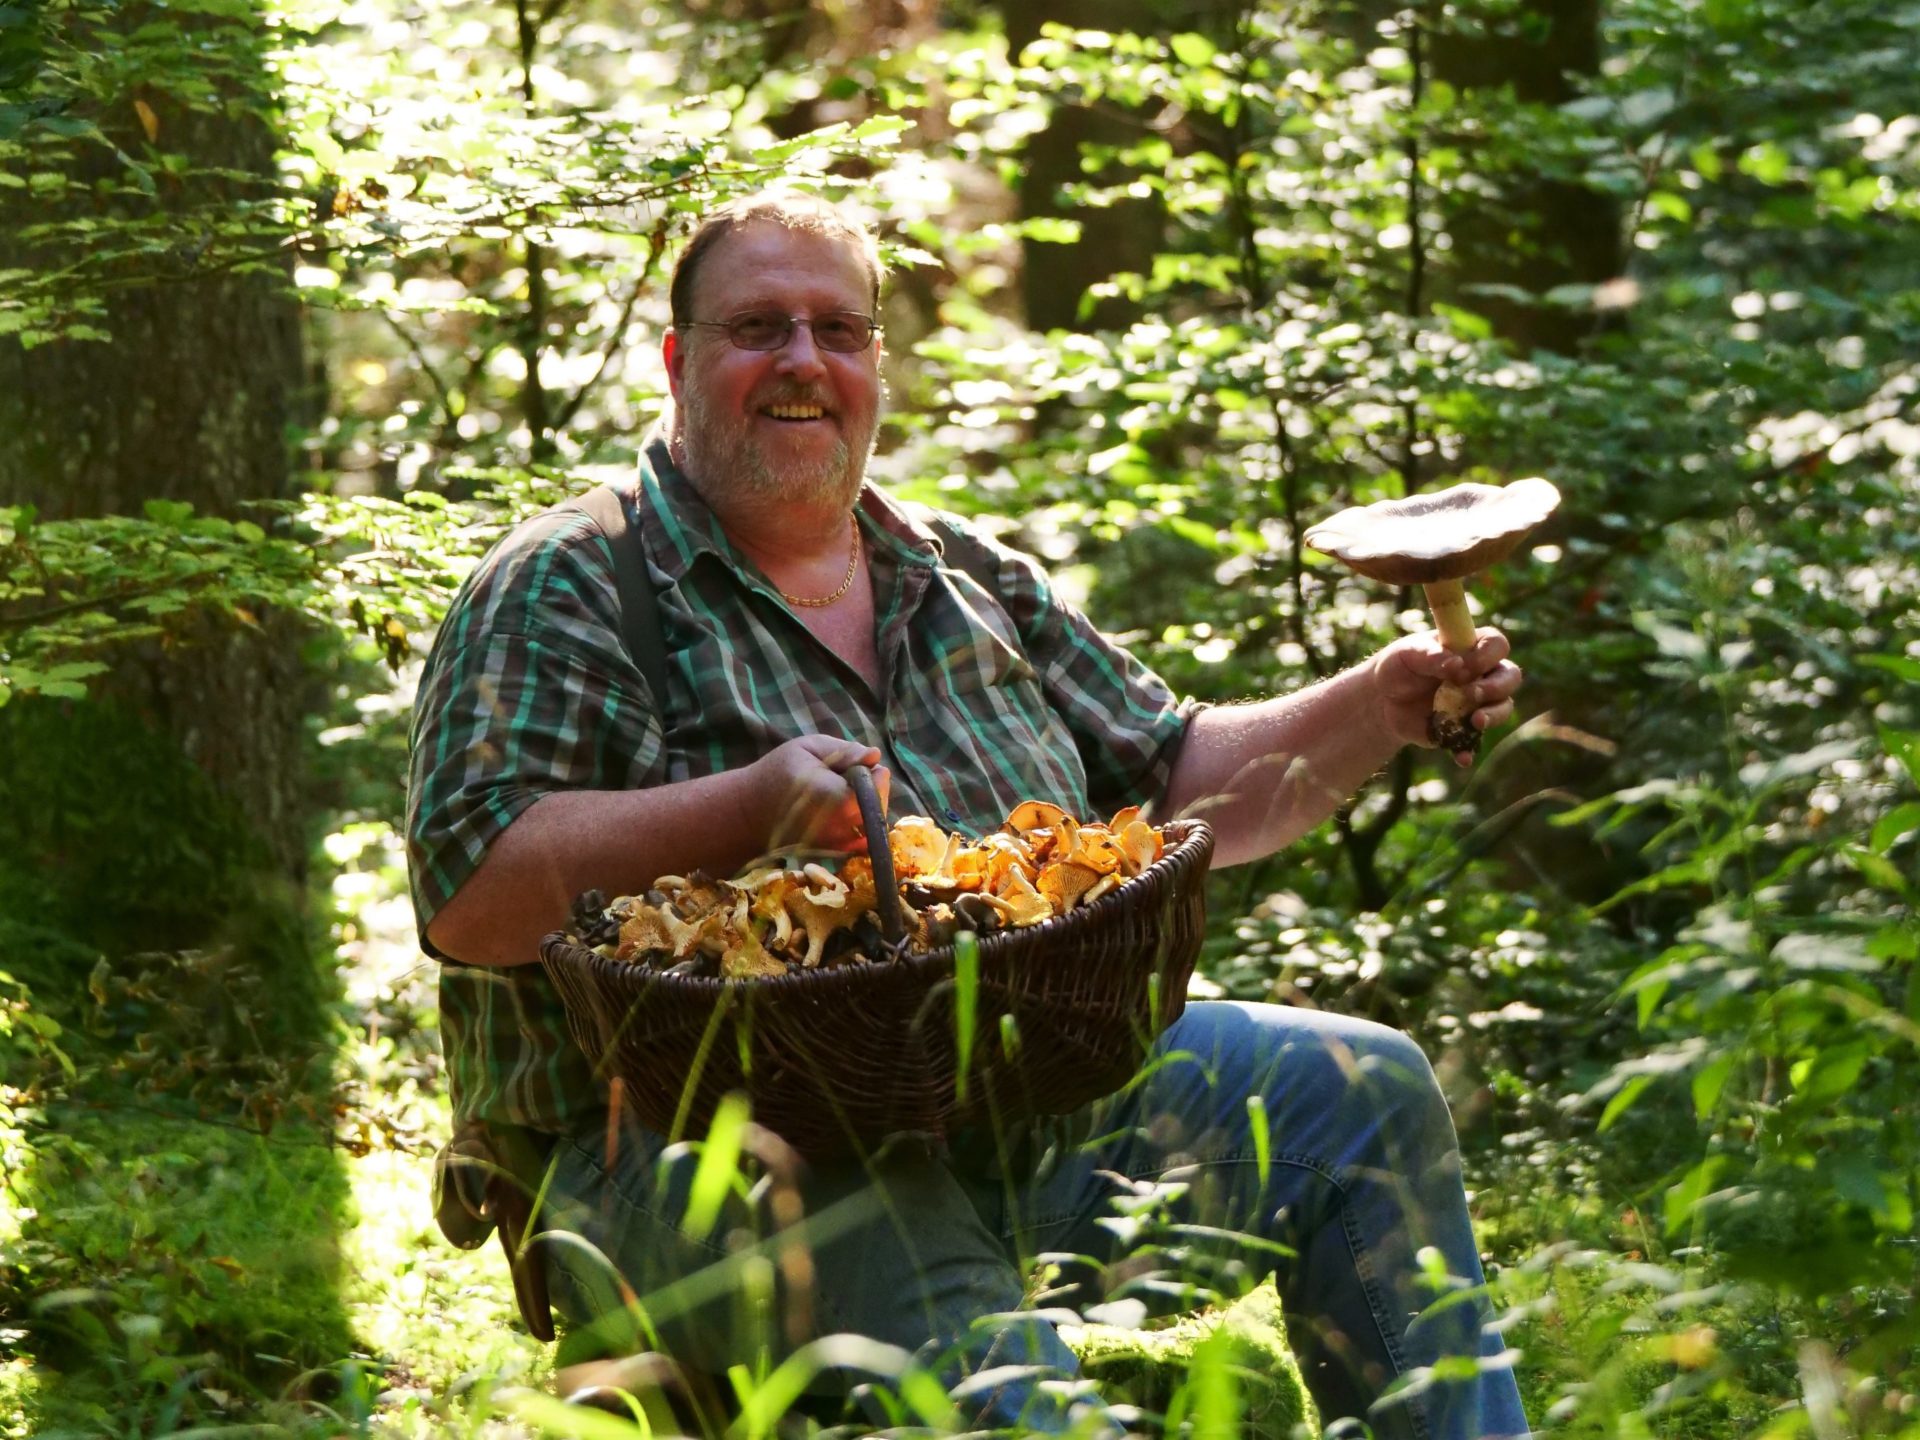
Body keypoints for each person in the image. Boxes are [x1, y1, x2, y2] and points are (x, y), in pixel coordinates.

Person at [406, 190, 1530, 1438]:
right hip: (691, 1157)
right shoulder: (573, 579)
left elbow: (1170, 780)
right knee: (989, 1373)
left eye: (840, 329)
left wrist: (1383, 701)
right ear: (677, 361)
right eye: (757, 328)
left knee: (1358, 1089)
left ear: (878, 362)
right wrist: (746, 809)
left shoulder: (961, 574)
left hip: (1014, 1103)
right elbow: (471, 894)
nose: (803, 362)